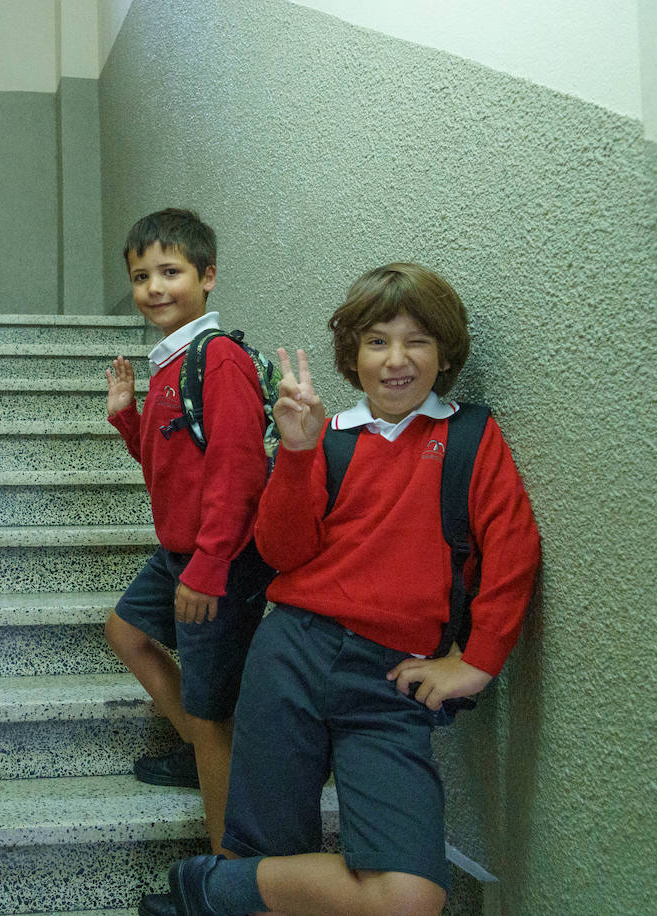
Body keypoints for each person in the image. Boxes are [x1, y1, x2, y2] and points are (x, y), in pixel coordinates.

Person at [164, 263, 541, 916]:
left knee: (409, 894)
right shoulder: (327, 438)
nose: (397, 359)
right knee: (265, 847)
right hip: (291, 655)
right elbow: (281, 551)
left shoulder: (470, 437)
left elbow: (514, 548)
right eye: (376, 341)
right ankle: (233, 882)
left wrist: (478, 662)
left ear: (444, 352)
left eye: (417, 340)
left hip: (393, 683)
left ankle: (210, 889)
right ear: (353, 354)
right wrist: (300, 452)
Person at [103, 209, 274, 915]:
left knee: (213, 712)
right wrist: (127, 418)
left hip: (219, 558)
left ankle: (225, 883)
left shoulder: (219, 359)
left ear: (207, 277)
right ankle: (199, 746)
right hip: (179, 552)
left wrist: (207, 567)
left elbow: (236, 470)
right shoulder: (171, 361)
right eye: (141, 276)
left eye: (170, 272)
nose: (153, 287)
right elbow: (169, 463)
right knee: (126, 632)